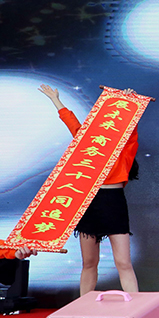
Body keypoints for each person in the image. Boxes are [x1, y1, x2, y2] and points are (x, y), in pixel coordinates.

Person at [39, 85, 139, 296]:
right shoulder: (88, 144)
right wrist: (55, 99)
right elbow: (72, 123)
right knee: (89, 262)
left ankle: (137, 307)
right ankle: (83, 306)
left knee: (123, 262)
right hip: (88, 201)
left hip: (113, 201)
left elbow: (130, 128)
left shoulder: (124, 147)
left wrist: (128, 103)